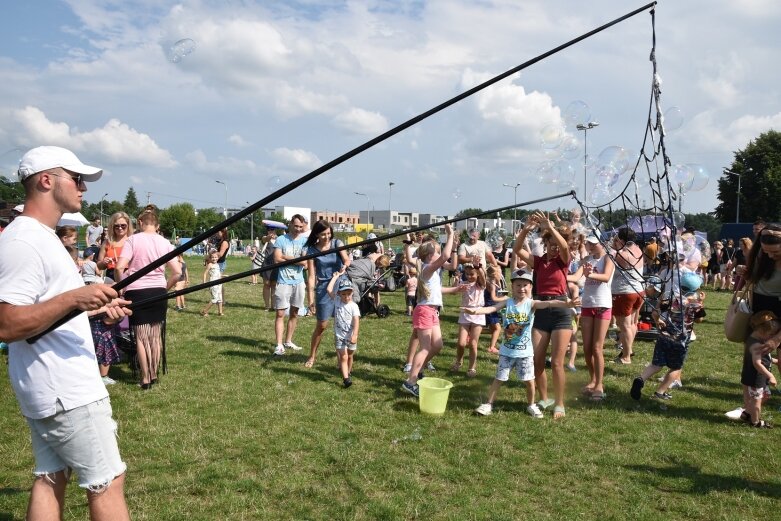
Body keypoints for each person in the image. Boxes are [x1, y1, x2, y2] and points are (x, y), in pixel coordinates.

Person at [0, 145, 132, 520]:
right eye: (77, 179)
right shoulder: (25, 241)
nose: (83, 189)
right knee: (107, 482)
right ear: (46, 181)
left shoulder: (41, 236)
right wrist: (76, 297)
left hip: (50, 385)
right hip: (66, 391)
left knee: (50, 477)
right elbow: (7, 324)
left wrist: (93, 309)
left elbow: (45, 311)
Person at [470, 270, 580, 417]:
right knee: (499, 379)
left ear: (530, 287)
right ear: (512, 286)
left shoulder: (531, 304)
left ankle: (531, 405)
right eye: (518, 285)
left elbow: (548, 303)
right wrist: (475, 311)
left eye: (525, 285)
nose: (521, 288)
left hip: (525, 353)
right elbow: (491, 308)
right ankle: (488, 404)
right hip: (506, 352)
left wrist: (566, 304)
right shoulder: (507, 302)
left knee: (529, 381)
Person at [512, 211, 572, 419]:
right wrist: (526, 231)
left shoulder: (562, 261)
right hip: (541, 310)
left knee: (556, 362)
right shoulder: (539, 262)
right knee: (537, 360)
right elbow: (517, 249)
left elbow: (565, 247)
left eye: (556, 243)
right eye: (551, 244)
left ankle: (560, 403)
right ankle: (545, 398)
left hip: (561, 311)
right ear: (546, 244)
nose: (555, 247)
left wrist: (551, 227)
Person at [115, 205, 181, 389]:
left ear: (141, 222)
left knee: (141, 337)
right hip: (158, 291)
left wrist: (122, 288)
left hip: (136, 291)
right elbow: (177, 272)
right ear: (157, 225)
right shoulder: (165, 243)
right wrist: (164, 288)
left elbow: (120, 268)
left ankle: (145, 378)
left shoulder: (132, 240)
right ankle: (153, 374)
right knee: (155, 336)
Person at [401, 224, 457, 397]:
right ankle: (410, 381)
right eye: (437, 253)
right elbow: (446, 256)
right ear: (429, 256)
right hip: (424, 311)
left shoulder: (432, 270)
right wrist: (450, 234)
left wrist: (453, 247)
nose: (441, 256)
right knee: (425, 348)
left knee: (438, 345)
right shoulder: (427, 268)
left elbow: (452, 263)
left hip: (431, 311)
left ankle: (419, 369)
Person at [629, 272, 704, 401]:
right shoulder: (695, 303)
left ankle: (640, 379)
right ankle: (660, 392)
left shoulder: (671, 298)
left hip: (664, 335)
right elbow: (699, 320)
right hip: (681, 339)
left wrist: (658, 321)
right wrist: (701, 302)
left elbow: (655, 312)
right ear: (696, 289)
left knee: (656, 364)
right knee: (675, 367)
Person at [304, 219, 350, 367]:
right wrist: (311, 299)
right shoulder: (312, 250)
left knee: (342, 325)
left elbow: (346, 259)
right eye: (323, 234)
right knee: (322, 325)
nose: (327, 237)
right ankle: (312, 356)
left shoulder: (337, 244)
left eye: (329, 233)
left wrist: (345, 266)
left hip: (340, 286)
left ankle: (341, 360)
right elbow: (311, 276)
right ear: (317, 234)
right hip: (323, 288)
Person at [574, 235, 614, 400]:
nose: (590, 245)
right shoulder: (587, 258)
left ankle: (599, 385)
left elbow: (605, 277)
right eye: (589, 243)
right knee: (587, 348)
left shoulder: (608, 257)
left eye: (593, 243)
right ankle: (593, 380)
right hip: (587, 305)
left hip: (603, 305)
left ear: (601, 243)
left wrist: (589, 275)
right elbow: (576, 276)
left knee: (597, 348)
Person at [272, 214, 308, 355]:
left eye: (301, 226)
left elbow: (305, 263)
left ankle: (288, 341)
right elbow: (276, 259)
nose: (298, 229)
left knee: (294, 312)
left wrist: (285, 258)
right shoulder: (281, 240)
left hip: (298, 282)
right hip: (283, 281)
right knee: (280, 313)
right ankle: (279, 344)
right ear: (290, 225)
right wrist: (297, 259)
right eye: (296, 226)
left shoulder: (305, 241)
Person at [611, 228, 645, 365]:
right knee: (631, 323)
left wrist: (615, 247)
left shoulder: (622, 255)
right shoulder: (638, 249)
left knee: (624, 326)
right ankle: (628, 351)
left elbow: (612, 257)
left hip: (625, 292)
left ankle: (626, 356)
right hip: (639, 291)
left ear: (622, 240)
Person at [740, 311, 779, 428]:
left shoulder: (755, 339)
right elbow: (757, 363)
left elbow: (763, 357)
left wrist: (775, 361)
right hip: (755, 377)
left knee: (765, 396)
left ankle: (747, 413)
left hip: (757, 377)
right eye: (771, 334)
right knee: (757, 400)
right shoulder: (756, 345)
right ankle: (755, 422)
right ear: (761, 331)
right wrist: (770, 375)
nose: (772, 337)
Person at [326, 270, 361, 388]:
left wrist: (355, 335)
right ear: (339, 294)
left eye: (349, 294)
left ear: (352, 293)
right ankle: (346, 379)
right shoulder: (337, 301)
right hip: (339, 335)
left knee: (350, 355)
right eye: (343, 294)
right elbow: (329, 290)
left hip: (350, 336)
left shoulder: (354, 306)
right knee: (344, 356)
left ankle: (348, 372)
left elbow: (356, 321)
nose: (346, 297)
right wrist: (335, 277)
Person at [450, 264, 486, 376]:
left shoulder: (480, 284)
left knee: (473, 343)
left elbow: (483, 277)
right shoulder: (464, 284)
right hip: (465, 314)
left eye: (472, 274)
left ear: (477, 274)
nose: (469, 276)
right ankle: (459, 361)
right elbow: (453, 292)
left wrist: (478, 267)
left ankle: (471, 367)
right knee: (461, 343)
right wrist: (456, 281)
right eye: (467, 274)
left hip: (478, 314)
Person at [97, 211, 133, 281]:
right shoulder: (106, 242)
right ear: (112, 227)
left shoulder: (133, 241)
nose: (120, 228)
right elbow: (99, 265)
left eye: (123, 225)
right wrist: (104, 262)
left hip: (129, 275)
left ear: (128, 225)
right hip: (111, 276)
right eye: (116, 226)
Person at [200, 252, 224, 317]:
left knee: (220, 298)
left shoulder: (217, 265)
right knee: (215, 298)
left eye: (216, 257)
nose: (214, 258)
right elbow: (205, 273)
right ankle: (204, 311)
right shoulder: (210, 264)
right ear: (210, 258)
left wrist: (223, 276)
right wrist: (204, 282)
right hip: (213, 283)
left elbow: (218, 274)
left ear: (218, 258)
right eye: (212, 257)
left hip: (219, 283)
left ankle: (220, 312)